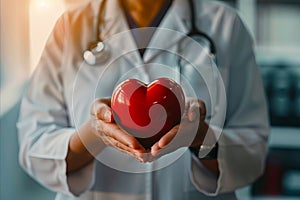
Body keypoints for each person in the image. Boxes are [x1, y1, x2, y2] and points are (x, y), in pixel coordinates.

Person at [17, 0, 270, 199]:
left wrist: (200, 138)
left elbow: (253, 149)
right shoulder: (71, 26)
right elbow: (34, 144)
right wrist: (94, 135)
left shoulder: (225, 26)